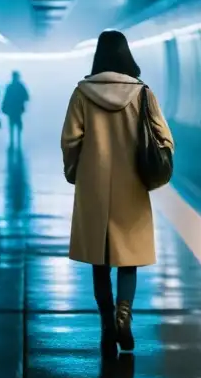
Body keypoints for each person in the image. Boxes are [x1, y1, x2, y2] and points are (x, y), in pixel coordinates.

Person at [61, 30, 174, 358]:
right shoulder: (143, 93)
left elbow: (70, 140)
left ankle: (107, 323)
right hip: (132, 183)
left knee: (100, 259)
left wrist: (75, 173)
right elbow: (164, 138)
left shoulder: (82, 93)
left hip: (94, 185)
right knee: (129, 257)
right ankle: (125, 315)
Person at [2, 71, 30, 146]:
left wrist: (4, 107)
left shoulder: (10, 86)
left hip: (13, 109)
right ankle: (17, 140)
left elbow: (5, 98)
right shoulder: (20, 86)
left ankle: (13, 140)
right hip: (17, 109)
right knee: (17, 124)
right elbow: (27, 97)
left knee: (12, 124)